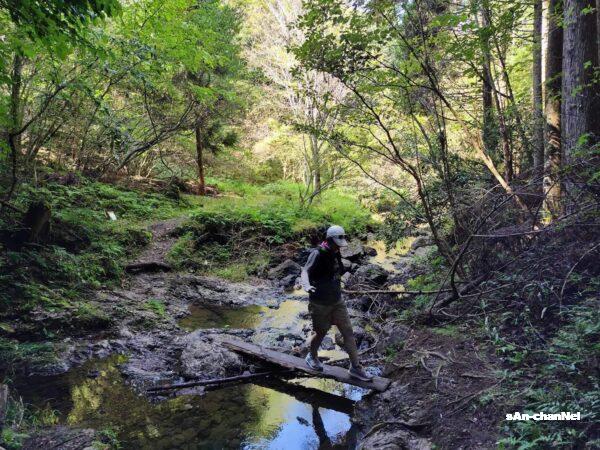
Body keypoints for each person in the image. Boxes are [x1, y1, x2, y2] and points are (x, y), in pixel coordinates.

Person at [300, 225, 373, 381]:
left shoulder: (335, 252)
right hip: (320, 303)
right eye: (336, 243)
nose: (338, 247)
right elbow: (305, 270)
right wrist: (306, 285)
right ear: (329, 240)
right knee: (321, 333)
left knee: (348, 332)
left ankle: (355, 367)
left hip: (337, 301)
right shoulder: (317, 253)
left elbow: (337, 272)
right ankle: (311, 357)